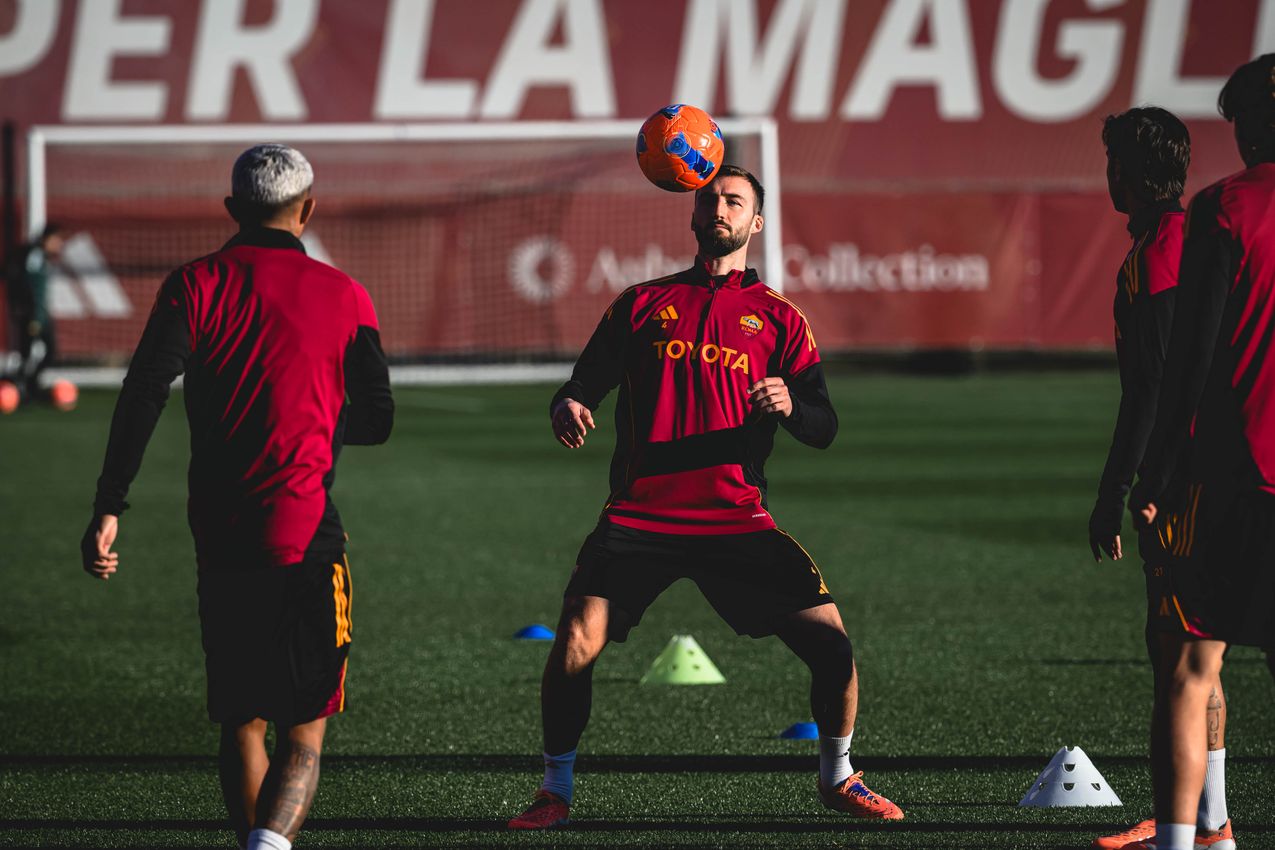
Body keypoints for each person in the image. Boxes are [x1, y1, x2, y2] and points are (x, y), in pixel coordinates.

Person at [507, 165, 903, 831]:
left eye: (734, 202)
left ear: (755, 223)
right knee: (575, 639)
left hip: (736, 519)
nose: (719, 209)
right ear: (693, 217)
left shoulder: (780, 320)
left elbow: (824, 426)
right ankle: (554, 790)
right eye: (710, 200)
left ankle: (838, 776)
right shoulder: (639, 303)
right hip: (638, 517)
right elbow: (582, 382)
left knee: (832, 648)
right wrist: (569, 403)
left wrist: (791, 405)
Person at [79, 144, 394, 850]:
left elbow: (144, 392)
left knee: (242, 719)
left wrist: (109, 505)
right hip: (307, 530)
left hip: (220, 533)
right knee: (304, 732)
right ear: (308, 210)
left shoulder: (193, 285)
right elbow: (377, 421)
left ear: (231, 210)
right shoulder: (346, 295)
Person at [1126, 55, 1275, 850]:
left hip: (1235, 478)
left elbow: (1191, 354)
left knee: (1188, 669)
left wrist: (1156, 471)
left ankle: (1184, 843)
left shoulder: (1224, 207)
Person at [1085, 108, 1233, 850]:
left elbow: (1154, 388)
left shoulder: (1161, 253)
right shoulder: (1177, 242)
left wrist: (1124, 488)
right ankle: (1208, 818)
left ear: (1133, 174)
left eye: (1112, 163)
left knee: (1175, 650)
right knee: (1199, 655)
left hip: (1187, 481)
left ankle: (1191, 823)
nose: (1106, 176)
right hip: (1216, 468)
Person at [6, 222, 64, 401]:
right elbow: (27, 284)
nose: (59, 244)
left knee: (49, 352)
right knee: (28, 353)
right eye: (57, 239)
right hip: (32, 315)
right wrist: (30, 313)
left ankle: (29, 384)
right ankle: (20, 387)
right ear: (47, 238)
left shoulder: (41, 257)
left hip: (40, 314)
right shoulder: (33, 255)